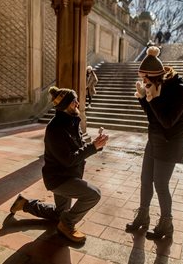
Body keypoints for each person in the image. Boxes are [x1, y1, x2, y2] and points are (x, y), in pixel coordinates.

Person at [10, 86, 109, 243]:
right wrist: (93, 147)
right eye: (74, 101)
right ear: (66, 106)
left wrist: (97, 143)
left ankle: (25, 204)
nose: (77, 103)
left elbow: (79, 146)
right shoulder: (55, 128)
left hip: (70, 175)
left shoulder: (72, 121)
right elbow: (68, 160)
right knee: (93, 194)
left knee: (59, 212)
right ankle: (67, 224)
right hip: (60, 179)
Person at [125, 46, 183, 240]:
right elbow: (152, 117)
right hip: (154, 140)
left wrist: (152, 99)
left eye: (146, 80)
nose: (144, 83)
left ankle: (166, 223)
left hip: (170, 143)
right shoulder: (153, 87)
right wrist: (143, 99)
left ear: (155, 77)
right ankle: (143, 217)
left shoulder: (179, 91)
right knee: (146, 180)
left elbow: (167, 121)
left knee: (161, 184)